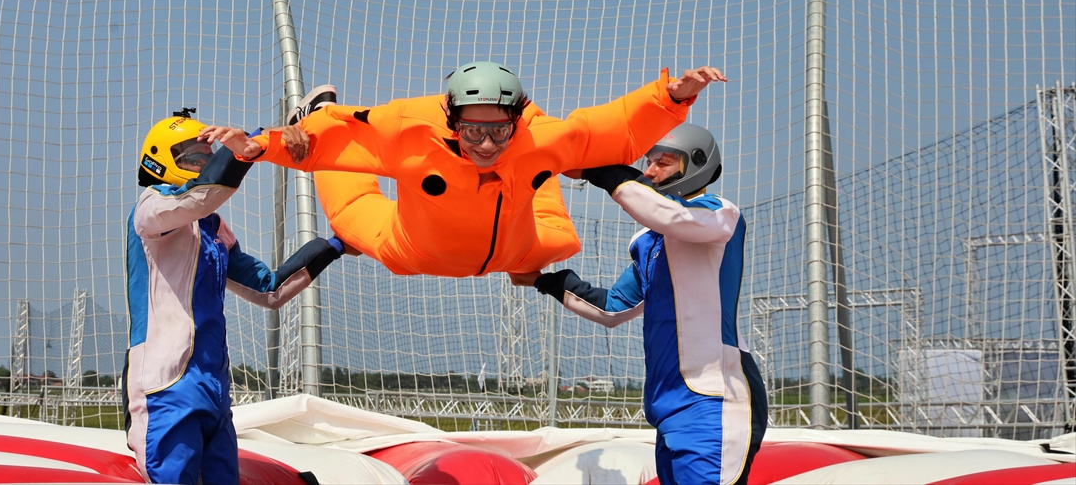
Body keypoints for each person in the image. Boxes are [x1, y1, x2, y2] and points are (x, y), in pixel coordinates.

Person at [203, 63, 726, 279]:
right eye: (472, 131)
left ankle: (532, 196)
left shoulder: (535, 138)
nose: (485, 144)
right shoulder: (410, 129)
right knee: (349, 210)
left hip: (518, 249)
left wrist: (671, 95)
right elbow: (347, 139)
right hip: (409, 247)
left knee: (557, 207)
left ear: (516, 120)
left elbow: (612, 129)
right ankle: (310, 109)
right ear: (452, 120)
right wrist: (263, 144)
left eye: (499, 130)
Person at [521, 124, 767, 485]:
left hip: (714, 401)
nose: (650, 172)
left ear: (696, 166)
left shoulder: (719, 215)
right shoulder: (649, 242)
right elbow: (613, 308)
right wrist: (543, 280)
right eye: (647, 163)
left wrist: (594, 169)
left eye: (662, 163)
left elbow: (670, 215)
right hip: (666, 406)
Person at [123, 109, 347, 484]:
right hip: (165, 387)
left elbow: (270, 288)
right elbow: (198, 197)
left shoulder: (213, 227)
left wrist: (336, 245)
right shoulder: (150, 208)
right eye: (192, 156)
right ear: (160, 161)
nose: (203, 162)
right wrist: (255, 143)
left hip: (213, 389)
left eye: (207, 156)